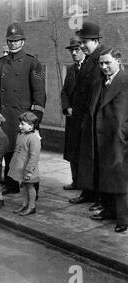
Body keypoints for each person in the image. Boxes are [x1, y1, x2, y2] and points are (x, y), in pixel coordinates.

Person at [0, 23, 46, 196]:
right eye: (10, 41)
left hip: (23, 119)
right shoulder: (0, 64)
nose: (13, 44)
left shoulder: (32, 63)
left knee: (27, 153)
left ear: (23, 41)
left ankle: (33, 188)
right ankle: (11, 184)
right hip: (4, 117)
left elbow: (40, 94)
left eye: (17, 40)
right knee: (7, 151)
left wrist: (34, 121)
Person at [87, 48, 128, 233]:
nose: (104, 66)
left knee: (120, 178)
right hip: (102, 138)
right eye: (101, 63)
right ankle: (109, 210)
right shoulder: (99, 83)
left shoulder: (125, 81)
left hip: (119, 140)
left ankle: (123, 218)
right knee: (106, 176)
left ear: (118, 61)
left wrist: (123, 133)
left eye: (107, 63)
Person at [69, 22, 105, 211]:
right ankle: (88, 192)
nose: (81, 46)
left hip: (93, 118)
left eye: (84, 42)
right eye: (81, 42)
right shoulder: (91, 57)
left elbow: (99, 93)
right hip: (83, 117)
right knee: (85, 158)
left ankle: (99, 198)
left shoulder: (101, 58)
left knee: (96, 159)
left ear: (96, 40)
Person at [61, 36, 85, 191]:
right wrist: (67, 107)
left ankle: (85, 186)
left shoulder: (91, 68)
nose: (74, 53)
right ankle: (75, 181)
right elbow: (64, 92)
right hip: (72, 118)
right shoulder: (70, 69)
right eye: (72, 50)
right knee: (72, 151)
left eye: (77, 50)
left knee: (83, 153)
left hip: (84, 119)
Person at [9, 112, 41, 216]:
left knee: (30, 186)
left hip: (28, 169)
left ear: (31, 126)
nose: (19, 126)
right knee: (23, 186)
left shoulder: (34, 138)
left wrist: (29, 171)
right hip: (21, 167)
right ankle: (24, 203)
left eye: (22, 124)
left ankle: (32, 207)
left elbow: (34, 156)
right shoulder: (21, 134)